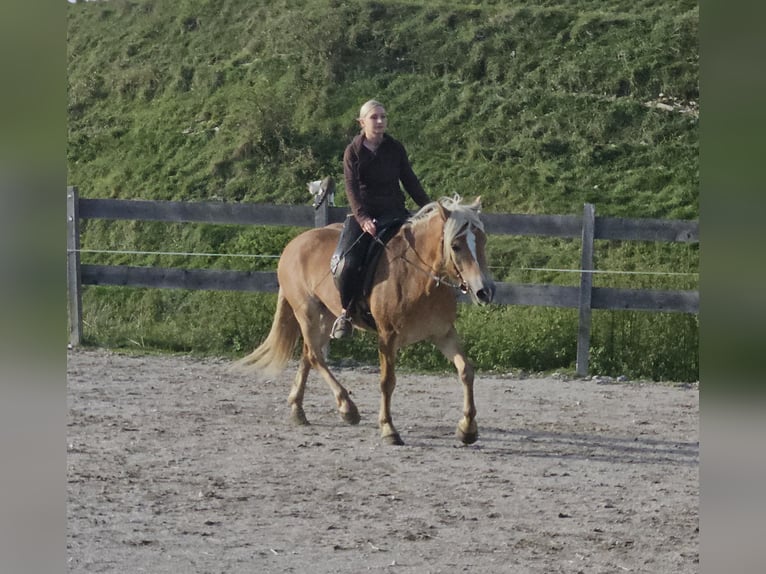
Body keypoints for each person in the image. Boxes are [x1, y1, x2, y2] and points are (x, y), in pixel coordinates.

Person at [330, 99, 431, 339]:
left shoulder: (395, 148)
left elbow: (409, 180)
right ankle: (346, 312)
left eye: (383, 117)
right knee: (349, 262)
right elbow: (351, 188)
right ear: (362, 122)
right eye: (374, 117)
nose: (380, 121)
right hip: (364, 215)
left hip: (394, 212)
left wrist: (429, 207)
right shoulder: (353, 152)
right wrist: (363, 218)